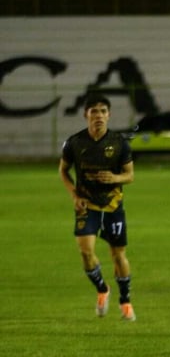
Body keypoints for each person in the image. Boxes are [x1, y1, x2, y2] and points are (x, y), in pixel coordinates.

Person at [59, 93, 136, 321]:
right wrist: (74, 195)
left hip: (113, 207)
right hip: (87, 205)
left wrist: (114, 178)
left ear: (109, 115)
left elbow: (130, 175)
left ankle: (125, 301)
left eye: (103, 111)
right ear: (86, 115)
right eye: (94, 112)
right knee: (85, 252)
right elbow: (63, 170)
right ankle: (103, 289)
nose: (99, 116)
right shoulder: (75, 143)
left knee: (118, 256)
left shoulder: (119, 143)